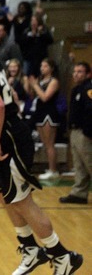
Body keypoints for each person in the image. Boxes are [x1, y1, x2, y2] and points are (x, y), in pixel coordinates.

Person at [0, 15, 83, 275]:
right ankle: (30, 249)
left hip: (6, 134)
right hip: (1, 130)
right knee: (3, 194)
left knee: (21, 201)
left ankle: (62, 256)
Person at [59, 62, 91, 204]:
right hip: (75, 131)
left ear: (88, 74)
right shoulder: (76, 89)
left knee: (90, 162)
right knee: (79, 165)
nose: (76, 74)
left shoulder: (89, 89)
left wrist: (88, 131)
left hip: (85, 133)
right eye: (75, 71)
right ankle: (79, 193)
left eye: (80, 71)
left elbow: (90, 110)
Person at [28, 58, 60, 180]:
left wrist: (35, 85)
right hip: (39, 112)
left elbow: (45, 97)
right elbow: (33, 96)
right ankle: (50, 167)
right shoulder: (40, 80)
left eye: (45, 66)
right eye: (41, 66)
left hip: (49, 114)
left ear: (51, 68)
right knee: (45, 143)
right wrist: (32, 86)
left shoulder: (54, 81)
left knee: (49, 144)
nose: (42, 68)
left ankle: (53, 170)